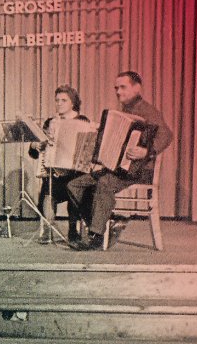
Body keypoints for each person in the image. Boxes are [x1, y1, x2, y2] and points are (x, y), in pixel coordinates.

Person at [67, 71, 173, 251]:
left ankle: (96, 236)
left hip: (138, 171)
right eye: (116, 88)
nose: (118, 91)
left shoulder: (147, 110)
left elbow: (166, 134)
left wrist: (146, 151)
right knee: (74, 185)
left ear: (137, 88)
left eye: (123, 87)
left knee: (104, 183)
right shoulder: (125, 111)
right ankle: (104, 222)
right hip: (118, 169)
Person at [28, 85, 89, 244]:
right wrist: (35, 146)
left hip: (76, 174)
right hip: (54, 174)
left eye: (64, 100)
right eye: (57, 100)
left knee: (75, 188)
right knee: (47, 192)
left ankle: (72, 230)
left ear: (73, 102)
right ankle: (48, 227)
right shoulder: (50, 122)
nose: (59, 104)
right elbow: (34, 153)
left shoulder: (82, 121)